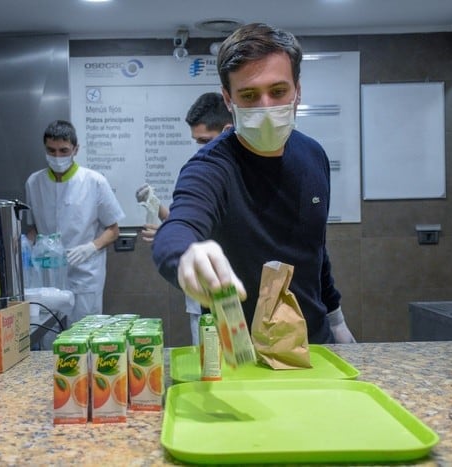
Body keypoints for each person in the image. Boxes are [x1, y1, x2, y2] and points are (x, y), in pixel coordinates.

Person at [151, 23, 356, 344]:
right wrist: (185, 256)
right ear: (228, 99)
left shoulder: (313, 155)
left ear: (298, 90)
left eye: (278, 91)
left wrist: (337, 318)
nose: (266, 106)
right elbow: (177, 229)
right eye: (248, 95)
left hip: (313, 345)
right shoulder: (211, 167)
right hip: (239, 354)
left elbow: (314, 247)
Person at [135, 92, 232, 345]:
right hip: (205, 291)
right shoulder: (200, 169)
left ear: (228, 130)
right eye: (197, 141)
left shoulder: (238, 173)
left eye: (205, 140)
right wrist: (161, 216)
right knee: (210, 365)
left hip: (236, 288)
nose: (202, 147)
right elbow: (189, 222)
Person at [25, 119, 125, 327]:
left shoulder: (94, 181)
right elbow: (33, 227)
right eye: (51, 151)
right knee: (48, 335)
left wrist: (91, 247)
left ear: (76, 149)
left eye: (63, 150)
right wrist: (25, 247)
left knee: (84, 334)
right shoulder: (34, 182)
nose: (57, 157)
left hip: (84, 274)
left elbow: (113, 230)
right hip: (47, 276)